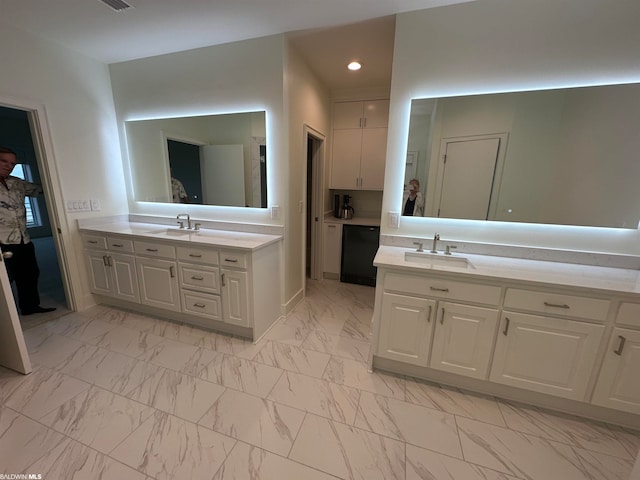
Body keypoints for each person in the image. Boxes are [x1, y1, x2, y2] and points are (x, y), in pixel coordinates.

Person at [0, 146, 56, 316]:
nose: (9, 166)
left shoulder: (17, 183)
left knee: (30, 274)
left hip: (24, 240)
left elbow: (42, 189)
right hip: (3, 243)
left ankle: (30, 307)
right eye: (4, 161)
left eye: (12, 163)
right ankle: (8, 320)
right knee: (5, 280)